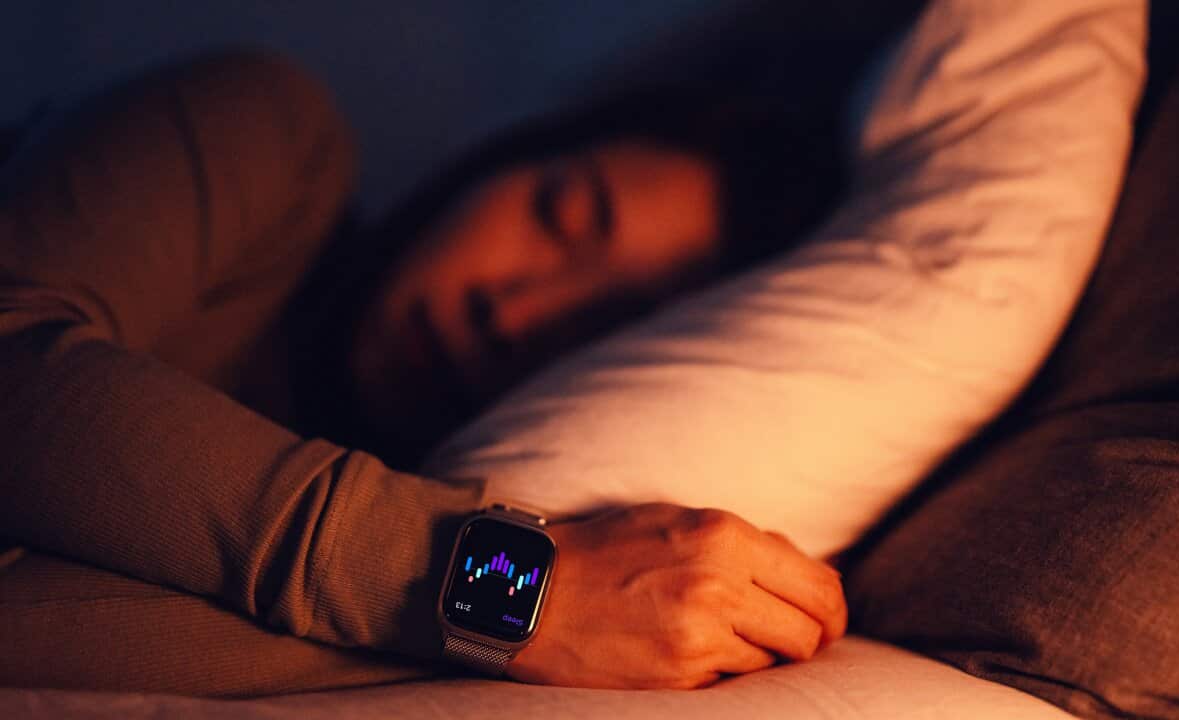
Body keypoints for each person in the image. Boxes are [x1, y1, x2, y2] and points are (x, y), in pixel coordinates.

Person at [0, 49, 848, 696]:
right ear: (501, 157)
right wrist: (497, 586)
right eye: (560, 215)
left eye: (606, 328)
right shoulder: (268, 134)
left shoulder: (422, 625)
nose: (514, 312)